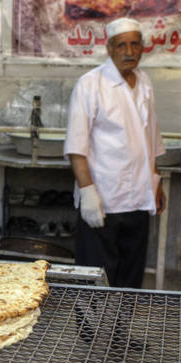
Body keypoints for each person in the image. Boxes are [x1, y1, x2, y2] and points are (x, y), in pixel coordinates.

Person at [64, 17, 166, 288]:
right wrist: (87, 192)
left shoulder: (144, 83)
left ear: (143, 47)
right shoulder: (90, 84)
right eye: (121, 45)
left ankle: (119, 332)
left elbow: (150, 137)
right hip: (102, 201)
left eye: (135, 44)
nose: (129, 52)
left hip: (138, 200)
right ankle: (90, 333)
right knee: (94, 278)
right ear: (109, 49)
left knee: (129, 280)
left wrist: (156, 182)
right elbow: (77, 146)